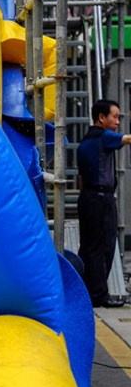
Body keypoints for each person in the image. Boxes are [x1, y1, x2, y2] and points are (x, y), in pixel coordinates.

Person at [77, 99, 131, 307]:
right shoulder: (104, 137)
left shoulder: (85, 141)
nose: (117, 121)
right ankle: (99, 295)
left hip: (87, 198)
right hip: (101, 199)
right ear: (101, 118)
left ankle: (86, 292)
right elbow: (127, 139)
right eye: (114, 117)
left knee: (89, 247)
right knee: (105, 247)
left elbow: (81, 177)